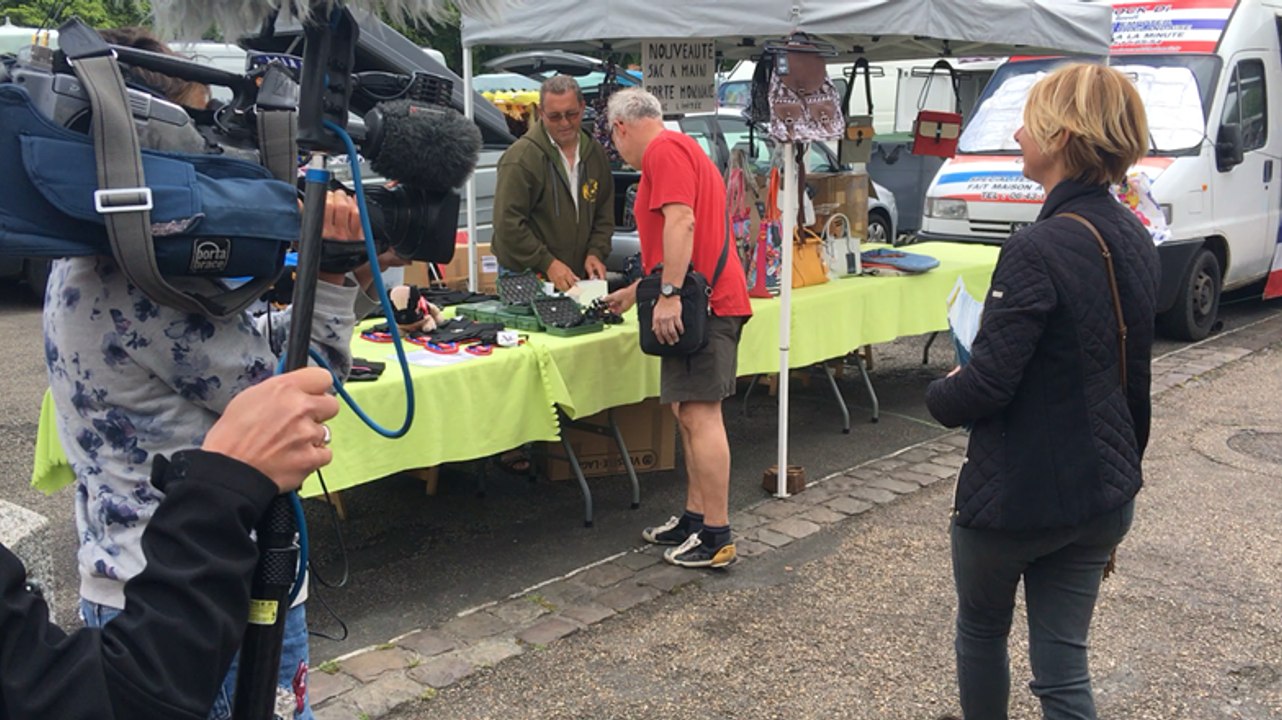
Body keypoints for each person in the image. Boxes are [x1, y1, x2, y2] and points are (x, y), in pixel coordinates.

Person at [924, 63, 1160, 720]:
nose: (1020, 134)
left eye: (1032, 122)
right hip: (1103, 490)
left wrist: (939, 392)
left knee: (981, 633)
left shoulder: (1038, 247)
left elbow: (988, 385)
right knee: (1061, 667)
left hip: (1017, 498)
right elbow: (1129, 374)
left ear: (1064, 135)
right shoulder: (1135, 236)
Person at [2, 368, 339, 720]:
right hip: (179, 607)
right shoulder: (136, 317)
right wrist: (227, 485)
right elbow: (286, 398)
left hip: (172, 591)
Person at [603, 88, 752, 569]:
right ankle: (696, 517)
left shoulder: (663, 152)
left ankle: (717, 533)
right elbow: (691, 230)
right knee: (687, 411)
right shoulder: (685, 147)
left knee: (701, 414)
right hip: (707, 298)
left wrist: (667, 294)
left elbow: (682, 223)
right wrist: (639, 291)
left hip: (700, 304)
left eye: (611, 137)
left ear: (620, 127)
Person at [492, 74, 615, 291]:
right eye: (555, 117)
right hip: (525, 274)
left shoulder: (595, 153)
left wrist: (596, 251)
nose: (565, 123)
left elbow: (604, 213)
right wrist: (547, 262)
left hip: (575, 274)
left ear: (582, 107)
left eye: (571, 114)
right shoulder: (520, 158)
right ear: (541, 113)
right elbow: (507, 225)